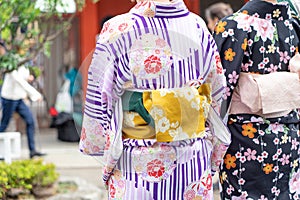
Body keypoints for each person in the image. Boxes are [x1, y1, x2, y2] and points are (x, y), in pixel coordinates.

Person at [79, 0, 230, 199]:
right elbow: (217, 90)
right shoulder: (198, 26)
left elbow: (100, 94)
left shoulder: (117, 28)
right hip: (192, 158)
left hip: (137, 157)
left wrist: (98, 142)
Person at [213, 0, 300, 199]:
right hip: (290, 138)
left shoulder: (234, 26)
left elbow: (218, 92)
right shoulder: (293, 24)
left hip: (247, 139)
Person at [0, 42, 46, 159]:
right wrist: (35, 94)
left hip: (18, 98)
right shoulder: (11, 62)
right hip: (9, 98)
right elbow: (19, 80)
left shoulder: (23, 61)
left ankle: (32, 150)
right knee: (4, 125)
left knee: (30, 121)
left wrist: (28, 77)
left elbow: (23, 76)